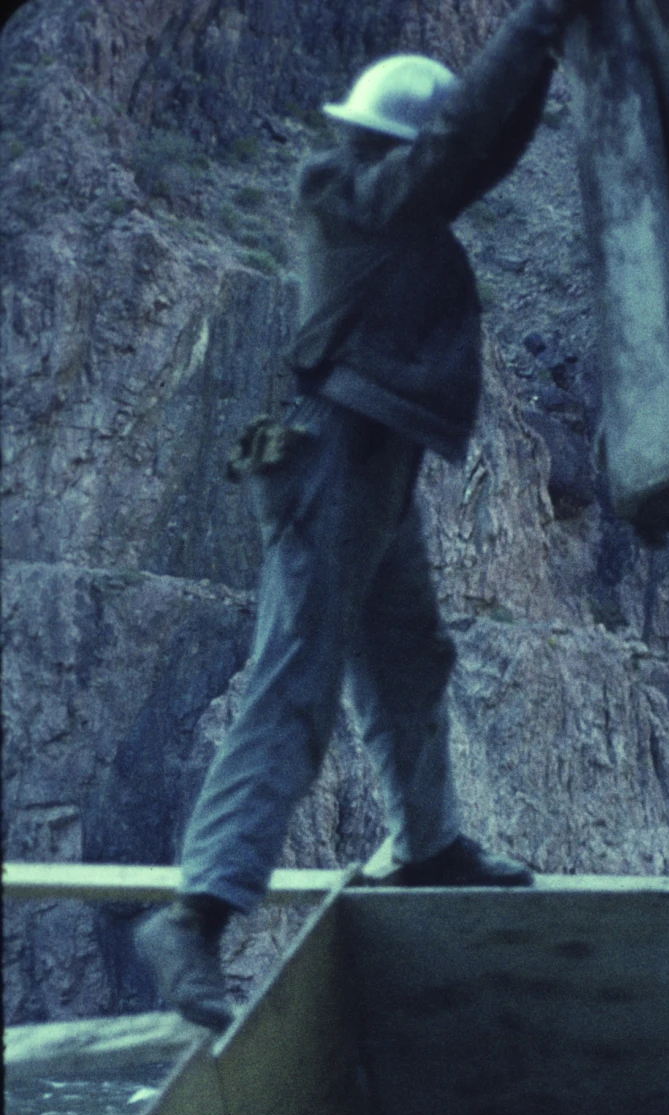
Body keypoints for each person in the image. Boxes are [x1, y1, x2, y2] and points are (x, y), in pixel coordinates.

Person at [137, 0, 588, 1030]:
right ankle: (197, 916)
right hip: (334, 455)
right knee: (296, 682)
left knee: (407, 654)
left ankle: (427, 842)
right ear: (398, 144)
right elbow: (460, 148)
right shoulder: (351, 196)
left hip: (371, 458)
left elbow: (478, 156)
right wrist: (537, 22)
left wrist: (550, 52)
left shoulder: (393, 201)